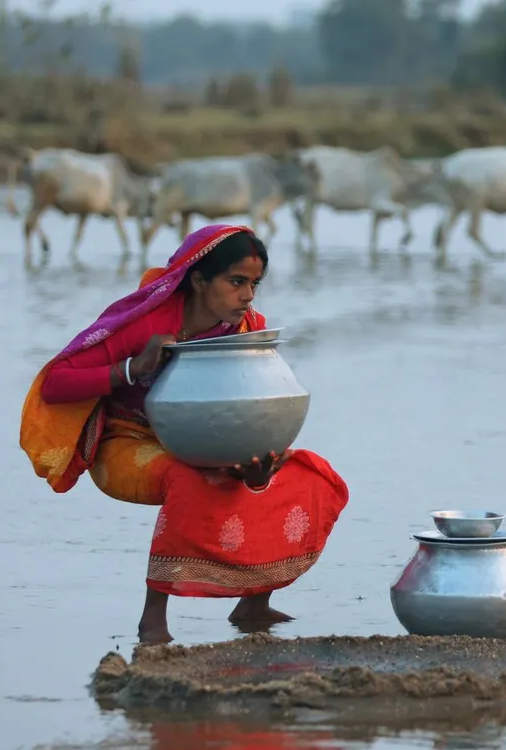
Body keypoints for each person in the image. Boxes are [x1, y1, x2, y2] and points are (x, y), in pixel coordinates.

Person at [20, 223, 349, 645]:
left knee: (303, 474)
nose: (248, 295)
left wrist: (252, 468)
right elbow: (56, 383)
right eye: (236, 282)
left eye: (254, 284)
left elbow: (250, 404)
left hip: (203, 440)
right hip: (128, 443)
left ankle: (253, 601)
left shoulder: (245, 328)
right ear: (197, 280)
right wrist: (132, 369)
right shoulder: (144, 323)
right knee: (188, 479)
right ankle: (152, 618)